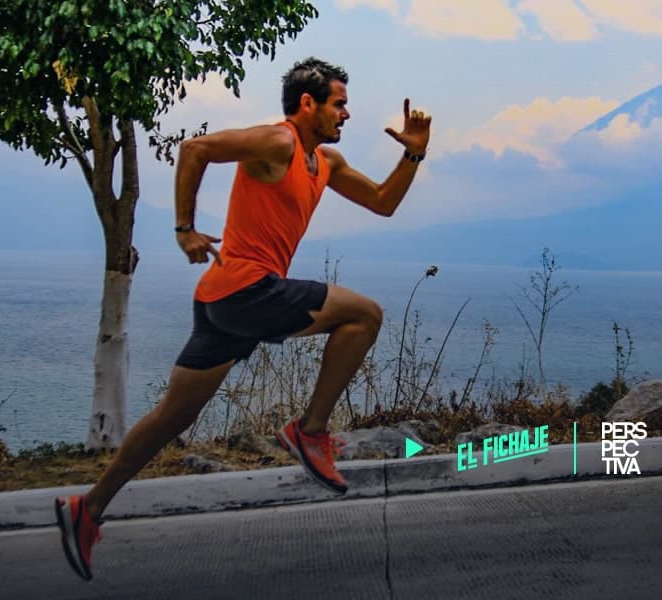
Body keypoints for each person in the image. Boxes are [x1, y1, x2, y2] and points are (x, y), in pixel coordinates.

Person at [55, 57, 432, 580]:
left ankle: (87, 510)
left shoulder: (326, 164)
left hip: (221, 301)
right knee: (365, 316)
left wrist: (413, 154)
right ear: (308, 104)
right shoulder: (277, 143)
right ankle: (310, 431)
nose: (346, 115)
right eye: (339, 104)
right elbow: (196, 149)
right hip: (248, 291)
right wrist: (184, 227)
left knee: (173, 416)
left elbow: (385, 203)